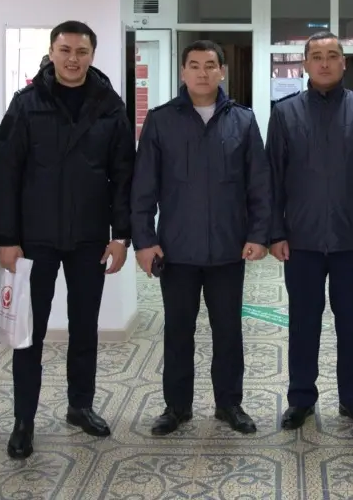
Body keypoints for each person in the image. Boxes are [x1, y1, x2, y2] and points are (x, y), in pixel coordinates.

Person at [0, 21, 135, 458]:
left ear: (93, 54)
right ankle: (24, 420)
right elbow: (5, 173)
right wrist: (6, 238)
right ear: (52, 52)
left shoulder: (109, 105)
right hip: (34, 237)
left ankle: (80, 406)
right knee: (29, 332)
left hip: (90, 235)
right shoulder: (27, 103)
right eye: (65, 50)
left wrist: (121, 235)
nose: (73, 59)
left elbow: (123, 175)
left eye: (82, 51)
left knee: (84, 326)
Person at [131, 39, 271, 436]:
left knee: (228, 331)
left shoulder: (242, 121)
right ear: (182, 72)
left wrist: (258, 234)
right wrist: (144, 241)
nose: (202, 73)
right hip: (176, 250)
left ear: (222, 71)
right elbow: (143, 188)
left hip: (228, 249)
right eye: (194, 65)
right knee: (178, 331)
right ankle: (176, 407)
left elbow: (259, 185)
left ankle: (230, 404)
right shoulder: (161, 121)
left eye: (210, 65)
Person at [267, 31, 353, 432]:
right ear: (304, 64)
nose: (324, 63)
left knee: (352, 324)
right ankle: (301, 399)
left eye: (332, 56)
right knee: (303, 323)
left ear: (344, 63)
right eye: (317, 56)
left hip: (351, 240)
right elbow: (273, 178)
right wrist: (275, 233)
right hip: (300, 240)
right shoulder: (285, 113)